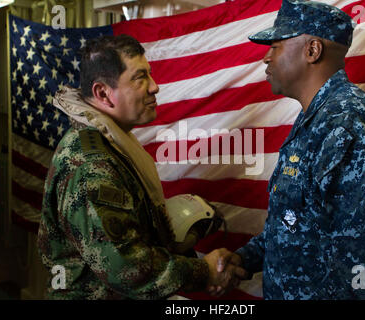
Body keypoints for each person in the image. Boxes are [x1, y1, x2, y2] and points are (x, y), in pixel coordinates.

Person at [211, 0, 365, 299]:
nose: (266, 58)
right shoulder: (317, 118)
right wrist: (245, 258)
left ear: (312, 51)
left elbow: (363, 265)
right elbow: (297, 222)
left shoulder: (346, 125)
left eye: (276, 46)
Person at [37, 34, 247, 299]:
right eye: (140, 78)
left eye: (150, 74)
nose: (154, 87)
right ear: (103, 93)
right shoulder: (91, 162)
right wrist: (203, 272)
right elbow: (124, 265)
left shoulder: (110, 143)